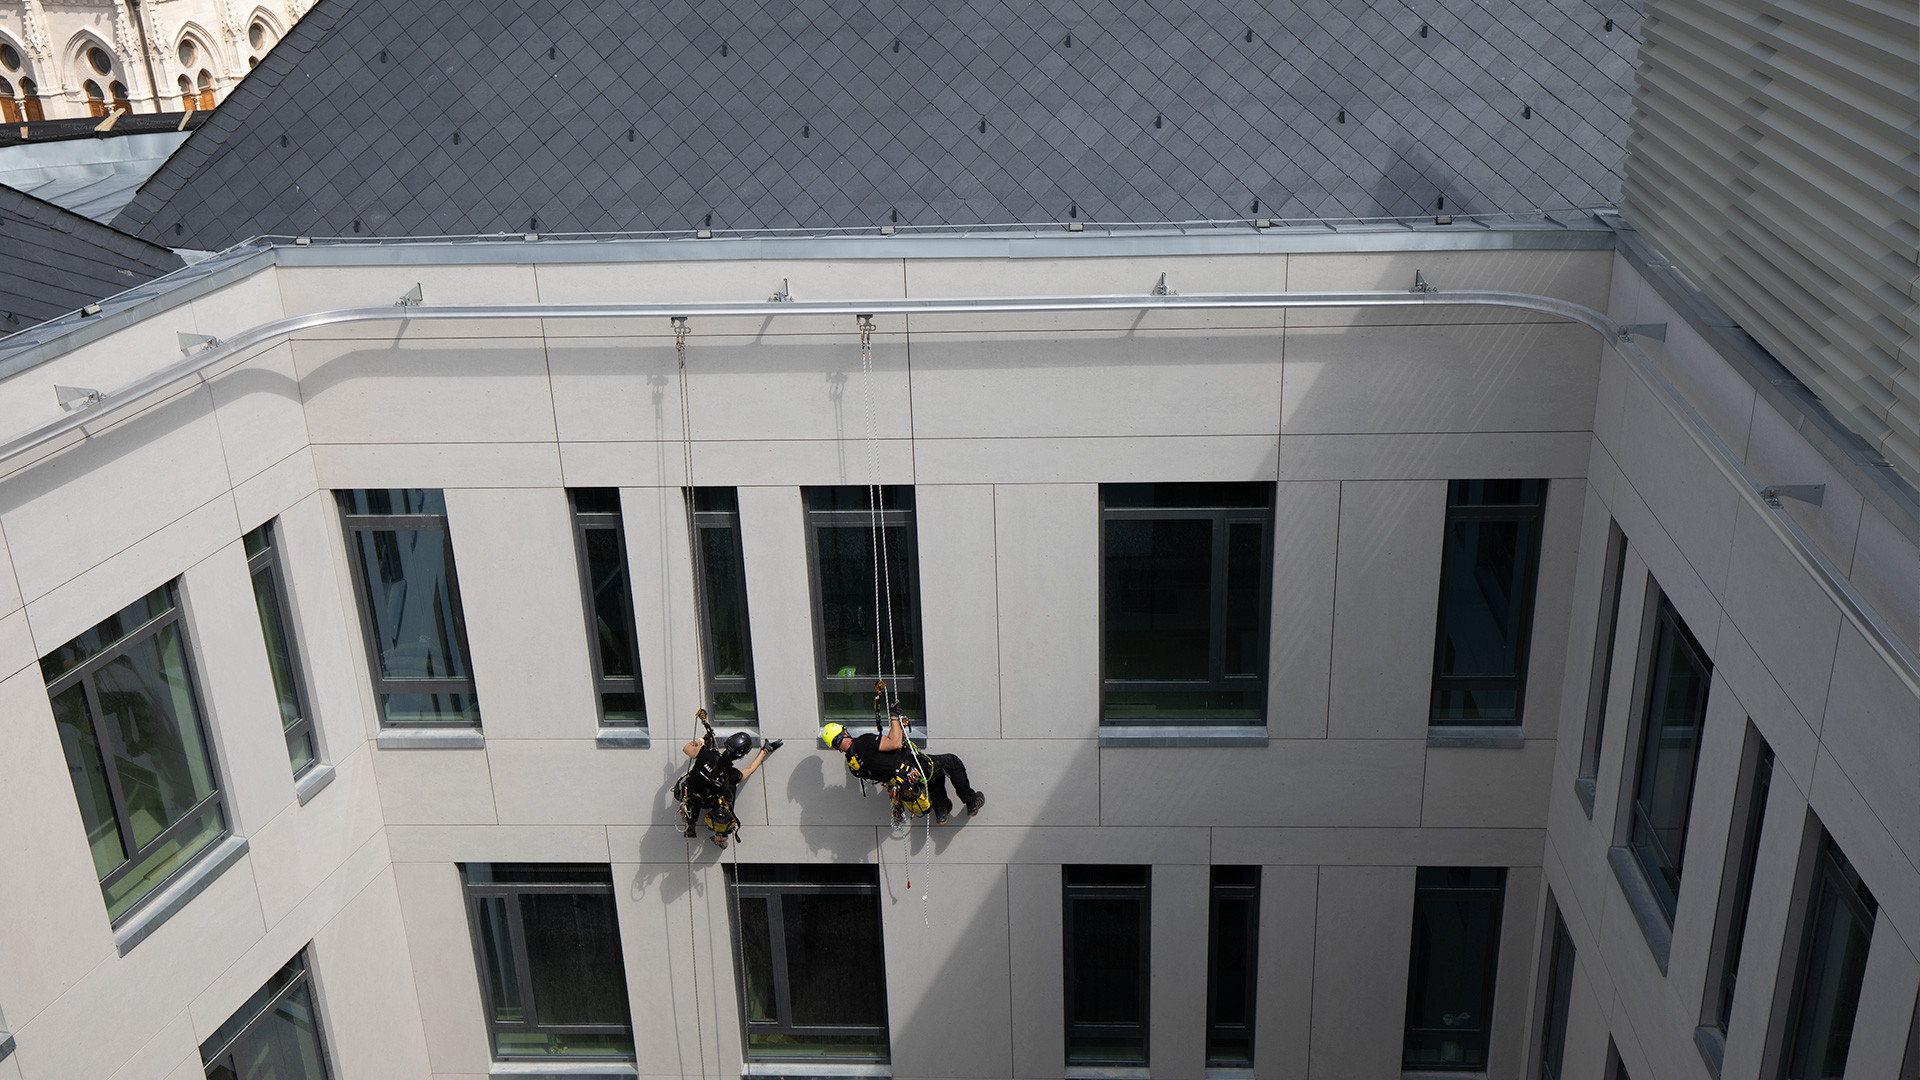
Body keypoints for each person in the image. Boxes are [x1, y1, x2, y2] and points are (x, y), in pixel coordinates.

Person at [820, 707, 984, 827]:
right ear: (845, 733)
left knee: (935, 777)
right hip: (914, 768)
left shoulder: (853, 766)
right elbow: (895, 742)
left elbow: (878, 763)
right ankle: (971, 802)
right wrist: (894, 717)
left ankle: (941, 811)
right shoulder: (863, 742)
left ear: (835, 747)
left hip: (906, 783)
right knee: (952, 762)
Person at [676, 711, 781, 848]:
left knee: (698, 787)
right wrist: (764, 751)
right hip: (708, 802)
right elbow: (750, 769)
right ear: (740, 756)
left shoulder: (705, 754)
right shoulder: (731, 775)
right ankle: (721, 834)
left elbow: (687, 748)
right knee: (730, 788)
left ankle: (691, 822)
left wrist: (703, 740)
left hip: (688, 795)